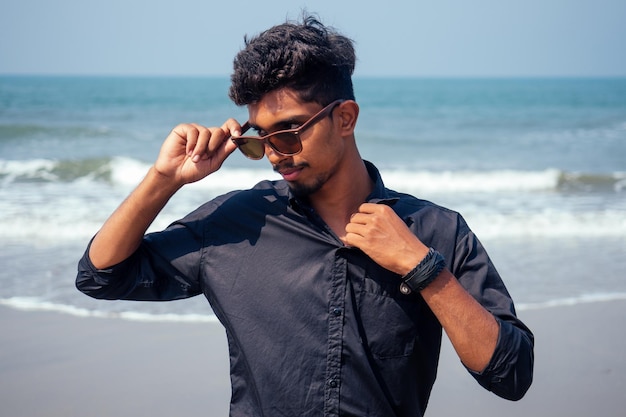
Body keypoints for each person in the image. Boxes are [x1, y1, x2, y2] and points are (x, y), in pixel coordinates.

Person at [77, 14, 533, 417]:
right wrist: (164, 179)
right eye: (260, 139)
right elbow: (102, 275)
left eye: (289, 133)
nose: (275, 154)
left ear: (346, 118)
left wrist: (425, 270)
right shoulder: (238, 222)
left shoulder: (436, 231)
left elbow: (511, 374)